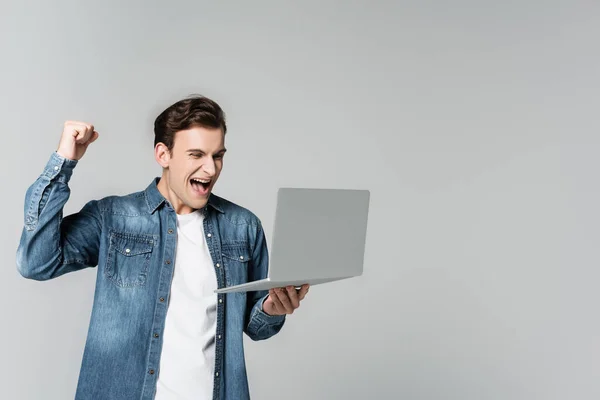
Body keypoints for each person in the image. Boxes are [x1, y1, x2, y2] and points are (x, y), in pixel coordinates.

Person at [16, 95, 309, 400]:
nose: (210, 169)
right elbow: (36, 262)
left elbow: (256, 327)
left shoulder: (243, 227)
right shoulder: (115, 217)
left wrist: (273, 309)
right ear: (163, 154)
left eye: (217, 155)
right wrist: (64, 161)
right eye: (196, 154)